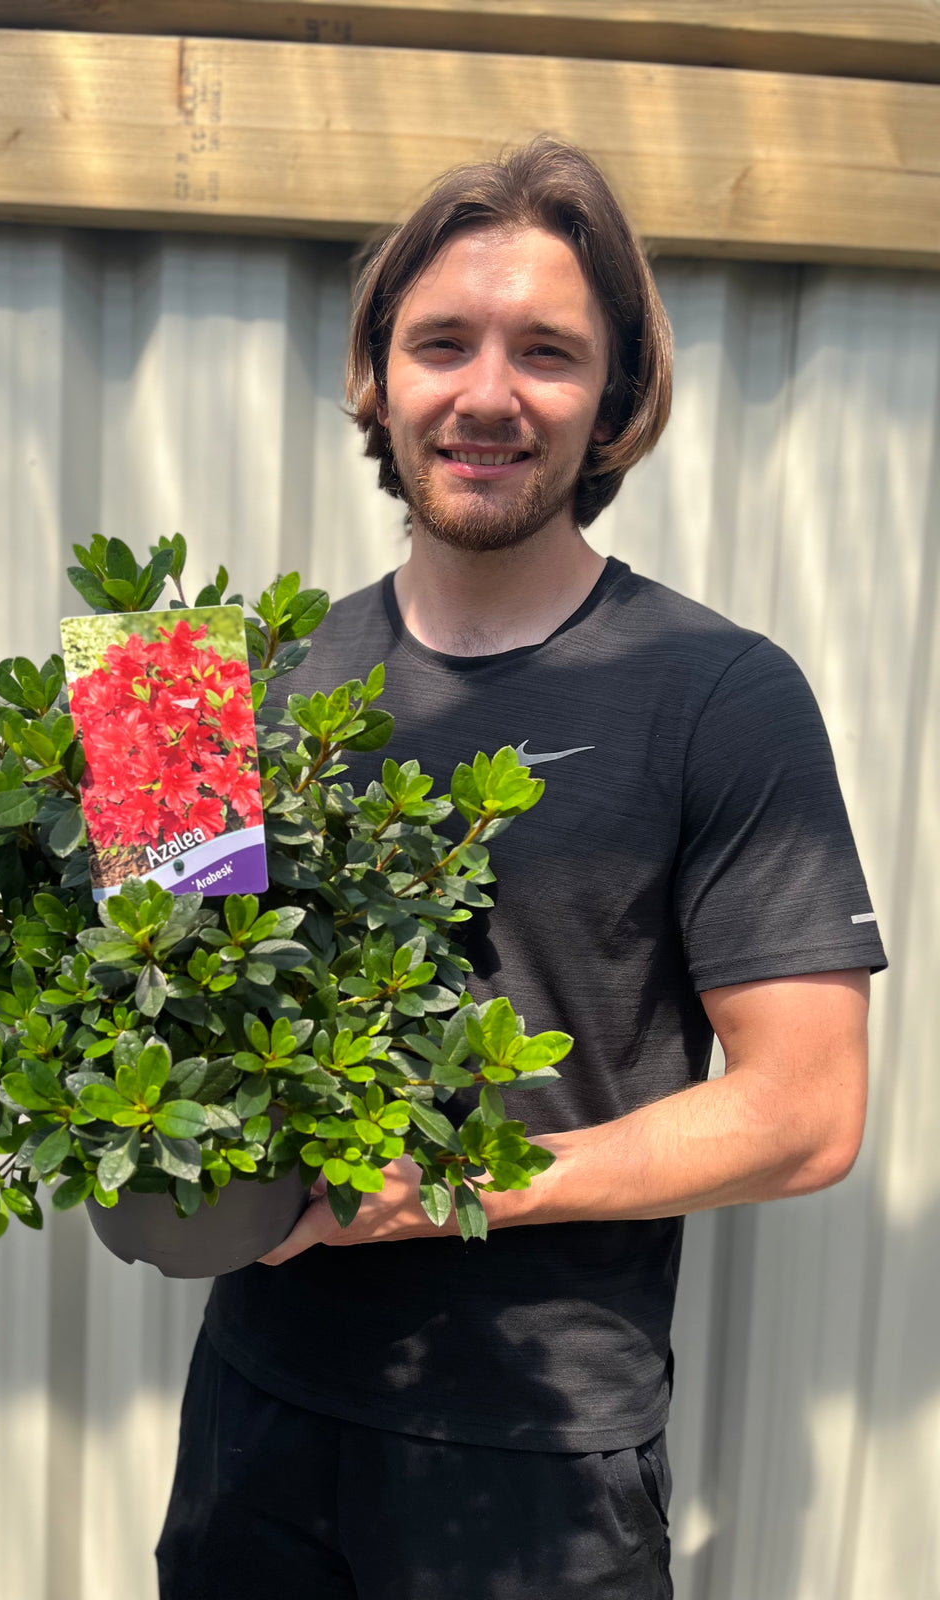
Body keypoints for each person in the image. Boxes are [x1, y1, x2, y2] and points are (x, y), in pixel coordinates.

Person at [156, 137, 886, 1599]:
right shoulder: (226, 682)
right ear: (377, 376)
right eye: (442, 343)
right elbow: (158, 1024)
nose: (488, 394)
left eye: (547, 352)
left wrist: (455, 1185)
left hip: (537, 1464)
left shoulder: (720, 691)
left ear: (613, 401)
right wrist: (81, 844)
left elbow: (807, 1115)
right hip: (253, 1412)